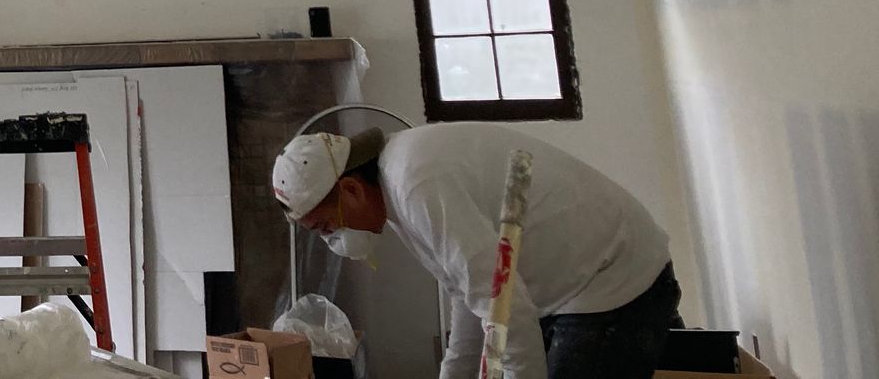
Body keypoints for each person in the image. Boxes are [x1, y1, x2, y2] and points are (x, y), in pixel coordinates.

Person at [271, 123, 681, 379]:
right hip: (572, 286)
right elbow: (470, 294)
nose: (331, 239)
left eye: (325, 226)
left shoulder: (416, 186)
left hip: (611, 279)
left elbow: (505, 308)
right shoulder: (397, 189)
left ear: (351, 190)